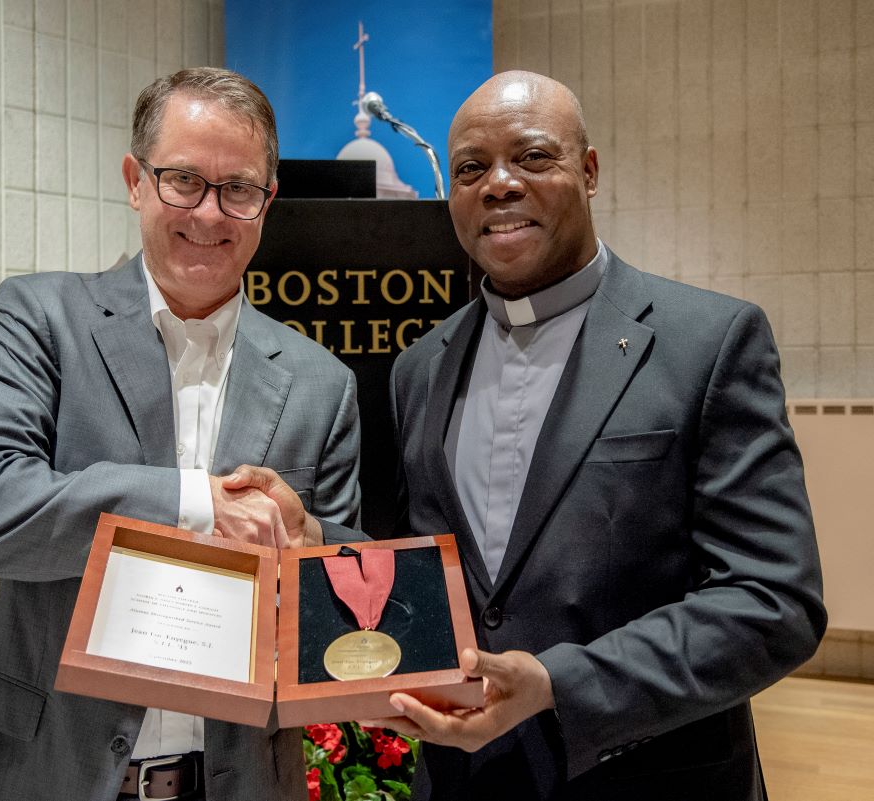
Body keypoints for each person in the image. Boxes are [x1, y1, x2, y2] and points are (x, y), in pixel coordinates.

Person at [233, 71, 825, 800]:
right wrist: (317, 535)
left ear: (590, 169)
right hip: (463, 782)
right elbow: (418, 572)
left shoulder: (708, 343)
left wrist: (558, 683)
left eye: (533, 157)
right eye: (471, 169)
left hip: (645, 776)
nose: (499, 185)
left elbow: (775, 602)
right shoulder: (419, 368)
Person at [0, 68, 360, 801]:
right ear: (135, 180)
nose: (210, 214)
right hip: (32, 772)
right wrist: (196, 503)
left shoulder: (322, 383)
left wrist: (306, 538)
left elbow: (336, 613)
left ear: (268, 201)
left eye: (238, 189)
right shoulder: (42, 319)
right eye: (183, 179)